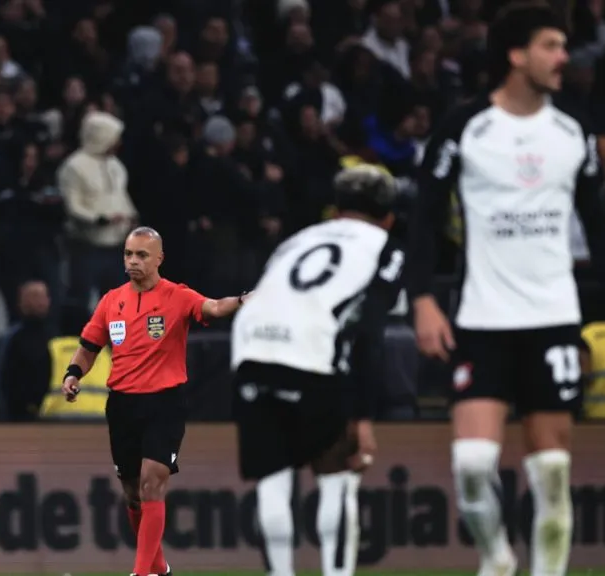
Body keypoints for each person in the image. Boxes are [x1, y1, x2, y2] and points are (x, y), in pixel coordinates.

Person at [406, 3, 605, 576]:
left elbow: (600, 228)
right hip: (483, 321)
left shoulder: (573, 131)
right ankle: (498, 558)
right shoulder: (465, 129)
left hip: (552, 319)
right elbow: (423, 218)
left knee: (552, 475)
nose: (564, 57)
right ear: (517, 55)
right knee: (470, 465)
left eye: (563, 46)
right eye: (551, 45)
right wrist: (423, 299)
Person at [231, 164, 403, 576]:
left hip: (251, 348)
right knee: (337, 478)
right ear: (388, 216)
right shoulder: (387, 246)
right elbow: (367, 331)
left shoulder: (295, 241)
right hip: (312, 352)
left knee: (272, 482)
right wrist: (362, 415)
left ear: (334, 210)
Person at [60, 226, 245, 576]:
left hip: (165, 401)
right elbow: (89, 347)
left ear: (159, 258)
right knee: (133, 493)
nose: (133, 261)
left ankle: (141, 573)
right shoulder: (112, 300)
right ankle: (160, 569)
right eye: (128, 254)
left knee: (153, 480)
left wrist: (240, 301)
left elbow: (214, 307)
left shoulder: (177, 296)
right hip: (123, 405)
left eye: (142, 255)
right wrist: (73, 375)